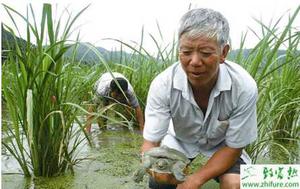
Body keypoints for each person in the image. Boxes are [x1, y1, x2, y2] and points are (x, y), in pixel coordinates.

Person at [141, 8, 258, 189]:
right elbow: (151, 142)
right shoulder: (163, 84)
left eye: (205, 53)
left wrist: (195, 180)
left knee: (235, 183)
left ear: (223, 53)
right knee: (160, 182)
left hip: (223, 146)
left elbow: (234, 147)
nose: (195, 61)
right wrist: (152, 167)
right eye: (186, 52)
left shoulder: (243, 87)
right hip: (180, 141)